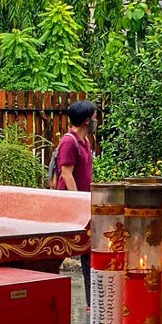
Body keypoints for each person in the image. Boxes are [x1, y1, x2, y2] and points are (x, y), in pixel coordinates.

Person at [52, 100, 95, 307]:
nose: (96, 121)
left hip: (84, 203)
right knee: (60, 249)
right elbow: (66, 174)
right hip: (69, 205)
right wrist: (78, 201)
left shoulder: (85, 141)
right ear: (87, 120)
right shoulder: (69, 142)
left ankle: (91, 302)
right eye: (94, 118)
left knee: (87, 251)